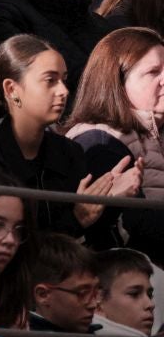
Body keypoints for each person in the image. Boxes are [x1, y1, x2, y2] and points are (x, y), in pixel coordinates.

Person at [0, 33, 136, 235]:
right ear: (11, 89)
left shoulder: (69, 152)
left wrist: (110, 200)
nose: (64, 91)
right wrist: (78, 218)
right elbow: (8, 244)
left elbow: (88, 234)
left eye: (64, 80)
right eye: (50, 80)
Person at [62, 28, 164, 223]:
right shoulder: (98, 141)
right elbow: (136, 227)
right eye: (153, 72)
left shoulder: (158, 131)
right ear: (117, 82)